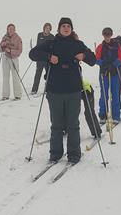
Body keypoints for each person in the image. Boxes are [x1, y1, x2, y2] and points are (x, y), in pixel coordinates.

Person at [28, 17, 96, 165]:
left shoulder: (78, 44)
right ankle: (55, 154)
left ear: (71, 29)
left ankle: (74, 154)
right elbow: (32, 54)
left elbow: (93, 59)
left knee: (73, 124)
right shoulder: (51, 44)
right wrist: (48, 57)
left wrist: (83, 55)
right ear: (59, 28)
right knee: (56, 124)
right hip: (54, 90)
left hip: (73, 90)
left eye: (68, 26)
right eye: (63, 26)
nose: (66, 28)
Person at [95, 27, 121, 124]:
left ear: (111, 35)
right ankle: (103, 115)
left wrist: (114, 65)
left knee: (115, 94)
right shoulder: (100, 47)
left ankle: (116, 115)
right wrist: (103, 64)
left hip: (114, 73)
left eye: (108, 35)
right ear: (103, 35)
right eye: (105, 35)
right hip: (104, 73)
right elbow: (96, 59)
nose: (107, 37)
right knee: (104, 94)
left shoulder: (117, 45)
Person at [0, 23, 23, 100]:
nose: (11, 30)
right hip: (5, 57)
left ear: (14, 30)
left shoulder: (18, 38)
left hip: (13, 58)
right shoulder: (4, 37)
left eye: (12, 29)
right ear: (7, 30)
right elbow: (0, 48)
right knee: (5, 77)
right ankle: (5, 95)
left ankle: (17, 95)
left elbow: (19, 51)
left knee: (15, 76)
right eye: (9, 29)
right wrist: (2, 44)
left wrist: (10, 50)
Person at [31, 23, 55, 94]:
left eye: (49, 28)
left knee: (48, 74)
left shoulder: (52, 36)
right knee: (38, 74)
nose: (47, 29)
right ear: (44, 28)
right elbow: (38, 45)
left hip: (47, 58)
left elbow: (52, 47)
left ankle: (48, 89)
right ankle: (34, 90)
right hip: (40, 58)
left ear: (50, 29)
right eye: (46, 28)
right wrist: (35, 53)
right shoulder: (39, 35)